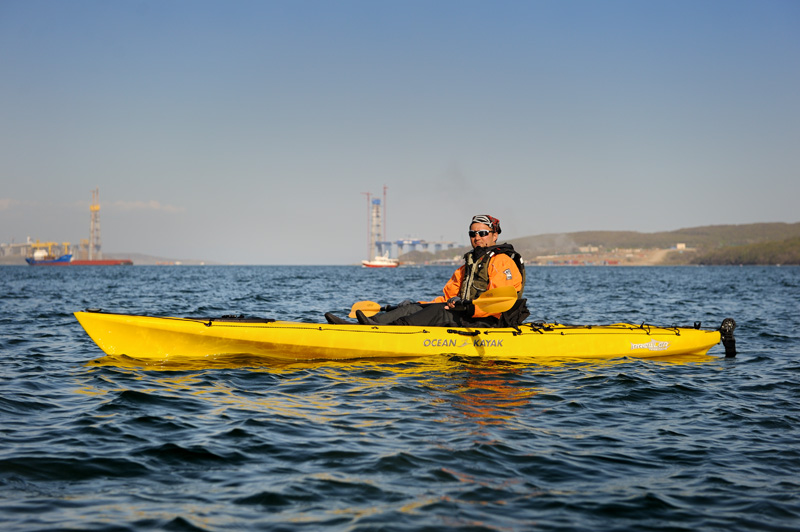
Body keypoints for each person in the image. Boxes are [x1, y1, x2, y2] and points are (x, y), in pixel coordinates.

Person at [325, 214, 529, 327]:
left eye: (483, 233)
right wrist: (418, 304)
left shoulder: (502, 262)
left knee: (436, 313)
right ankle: (362, 326)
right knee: (413, 308)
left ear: (494, 235)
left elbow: (499, 303)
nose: (477, 237)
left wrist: (467, 308)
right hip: (466, 314)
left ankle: (387, 332)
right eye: (472, 233)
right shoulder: (467, 265)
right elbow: (448, 298)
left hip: (488, 320)